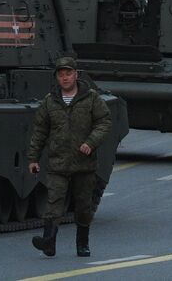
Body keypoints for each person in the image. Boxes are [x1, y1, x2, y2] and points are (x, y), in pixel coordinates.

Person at [26, 57, 112, 259]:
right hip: (58, 162)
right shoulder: (50, 101)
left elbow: (104, 122)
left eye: (68, 73)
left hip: (84, 163)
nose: (65, 78)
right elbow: (40, 131)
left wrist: (91, 142)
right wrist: (33, 158)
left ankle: (82, 244)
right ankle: (49, 243)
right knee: (53, 203)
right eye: (61, 74)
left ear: (76, 75)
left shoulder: (91, 98)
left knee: (83, 206)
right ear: (56, 77)